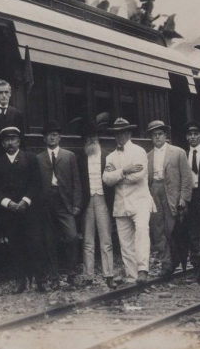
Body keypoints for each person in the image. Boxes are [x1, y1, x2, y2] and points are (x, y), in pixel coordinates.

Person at [0, 126, 48, 293]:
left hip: (29, 210)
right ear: (2, 144)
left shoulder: (30, 159)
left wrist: (25, 201)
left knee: (35, 243)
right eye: (6, 140)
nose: (10, 143)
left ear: (18, 141)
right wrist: (8, 203)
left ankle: (41, 280)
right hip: (9, 212)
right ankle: (20, 281)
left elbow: (36, 183)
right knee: (15, 245)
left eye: (13, 139)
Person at [102, 118, 155, 284]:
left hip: (140, 201)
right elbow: (106, 180)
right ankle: (132, 278)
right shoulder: (110, 156)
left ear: (129, 133)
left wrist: (117, 175)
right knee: (125, 243)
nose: (119, 136)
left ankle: (143, 270)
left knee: (141, 231)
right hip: (121, 204)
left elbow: (139, 176)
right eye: (116, 133)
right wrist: (125, 170)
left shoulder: (139, 152)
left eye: (123, 132)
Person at [36, 120, 82, 288]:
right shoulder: (38, 158)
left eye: (55, 135)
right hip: (46, 203)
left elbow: (76, 180)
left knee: (71, 237)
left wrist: (77, 204)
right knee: (49, 240)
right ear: (44, 139)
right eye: (49, 136)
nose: (52, 138)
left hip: (65, 202)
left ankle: (72, 274)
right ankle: (54, 277)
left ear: (59, 137)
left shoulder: (69, 156)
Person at [145, 120, 191, 279]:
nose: (157, 137)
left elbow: (186, 177)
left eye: (160, 134)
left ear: (165, 135)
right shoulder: (148, 156)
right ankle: (166, 263)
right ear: (151, 137)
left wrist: (184, 198)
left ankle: (176, 259)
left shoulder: (178, 152)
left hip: (171, 193)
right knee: (157, 229)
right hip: (154, 191)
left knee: (171, 229)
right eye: (154, 135)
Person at [77, 117, 116, 289]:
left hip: (102, 200)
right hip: (87, 201)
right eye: (87, 137)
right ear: (84, 140)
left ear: (98, 138)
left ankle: (109, 275)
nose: (91, 139)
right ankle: (88, 276)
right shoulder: (80, 158)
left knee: (106, 239)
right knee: (87, 240)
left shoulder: (108, 156)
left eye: (93, 136)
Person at [180, 121, 200, 282]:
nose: (193, 137)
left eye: (196, 134)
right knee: (192, 234)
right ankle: (196, 271)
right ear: (186, 137)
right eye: (190, 134)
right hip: (189, 196)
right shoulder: (182, 155)